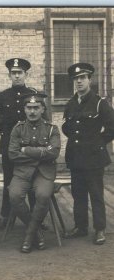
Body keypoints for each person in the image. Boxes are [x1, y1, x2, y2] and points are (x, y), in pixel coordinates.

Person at [62, 63, 114, 245]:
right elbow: (67, 127)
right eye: (76, 79)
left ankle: (100, 229)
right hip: (76, 157)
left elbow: (111, 128)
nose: (79, 82)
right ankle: (80, 227)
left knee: (96, 194)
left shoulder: (100, 103)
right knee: (78, 194)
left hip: (93, 158)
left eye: (83, 78)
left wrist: (97, 143)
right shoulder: (70, 103)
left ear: (90, 80)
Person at [8, 92, 61, 253]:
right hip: (22, 173)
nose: (32, 111)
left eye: (36, 108)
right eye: (29, 108)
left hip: (44, 173)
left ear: (42, 109)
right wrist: (40, 154)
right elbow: (12, 154)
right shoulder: (18, 129)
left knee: (43, 195)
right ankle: (36, 231)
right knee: (14, 195)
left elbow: (54, 152)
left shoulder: (52, 129)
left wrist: (26, 150)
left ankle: (29, 235)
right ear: (24, 109)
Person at [0, 58, 38, 230]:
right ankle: (6, 216)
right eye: (14, 73)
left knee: (33, 180)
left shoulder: (33, 94)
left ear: (26, 74)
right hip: (9, 146)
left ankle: (35, 216)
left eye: (20, 73)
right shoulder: (3, 96)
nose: (17, 76)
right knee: (8, 181)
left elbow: (42, 119)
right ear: (9, 75)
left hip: (30, 146)